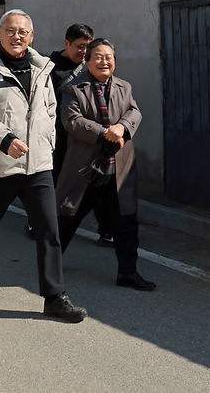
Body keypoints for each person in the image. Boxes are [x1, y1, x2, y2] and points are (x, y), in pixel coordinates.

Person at [0, 9, 86, 323]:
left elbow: (51, 110)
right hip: (1, 163)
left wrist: (47, 144)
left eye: (23, 31)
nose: (17, 36)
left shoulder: (41, 69)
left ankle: (54, 296)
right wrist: (6, 139)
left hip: (37, 165)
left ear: (31, 36)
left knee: (49, 231)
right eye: (10, 30)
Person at [56, 38, 155, 291]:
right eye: (98, 57)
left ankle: (128, 272)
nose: (104, 61)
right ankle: (50, 264)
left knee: (126, 222)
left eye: (109, 56)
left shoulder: (124, 86)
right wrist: (103, 132)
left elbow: (134, 112)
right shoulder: (73, 89)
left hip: (117, 166)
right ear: (87, 61)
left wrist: (121, 127)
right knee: (68, 217)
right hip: (86, 168)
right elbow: (71, 121)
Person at [30, 23, 114, 247]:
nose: (84, 52)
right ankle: (40, 223)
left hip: (87, 137)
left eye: (89, 46)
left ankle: (107, 229)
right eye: (80, 46)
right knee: (54, 182)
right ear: (66, 43)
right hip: (58, 137)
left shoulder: (92, 66)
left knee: (98, 182)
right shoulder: (49, 68)